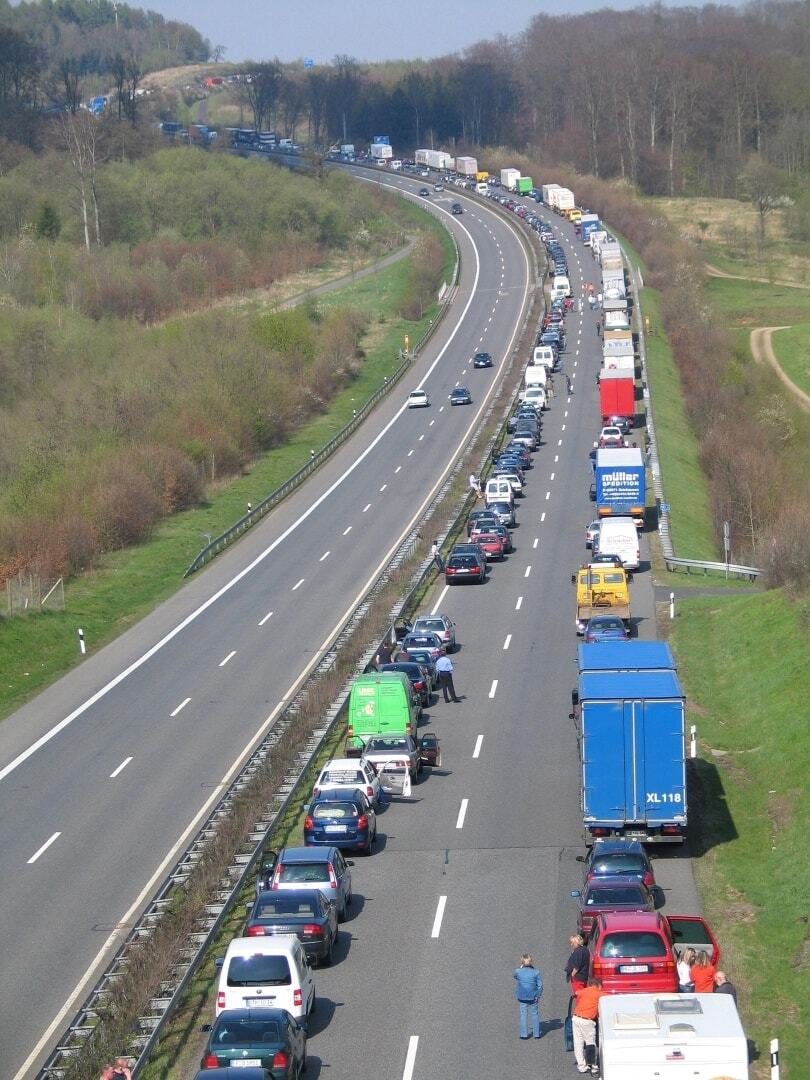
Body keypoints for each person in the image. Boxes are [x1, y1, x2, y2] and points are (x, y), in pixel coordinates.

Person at [572, 978, 603, 1075]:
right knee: (590, 1043)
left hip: (576, 1018)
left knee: (578, 1043)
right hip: (587, 1021)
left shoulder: (584, 991)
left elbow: (577, 992)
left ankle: (581, 1066)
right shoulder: (598, 993)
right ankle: (593, 1066)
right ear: (599, 985)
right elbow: (608, 999)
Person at [513, 954, 543, 1040]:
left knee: (523, 1014)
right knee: (535, 1014)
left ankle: (524, 1034)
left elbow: (514, 976)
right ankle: (536, 1034)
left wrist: (521, 968)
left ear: (522, 962)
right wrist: (538, 995)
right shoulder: (536, 972)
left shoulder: (518, 971)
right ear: (531, 962)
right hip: (533, 996)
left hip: (522, 996)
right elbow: (540, 986)